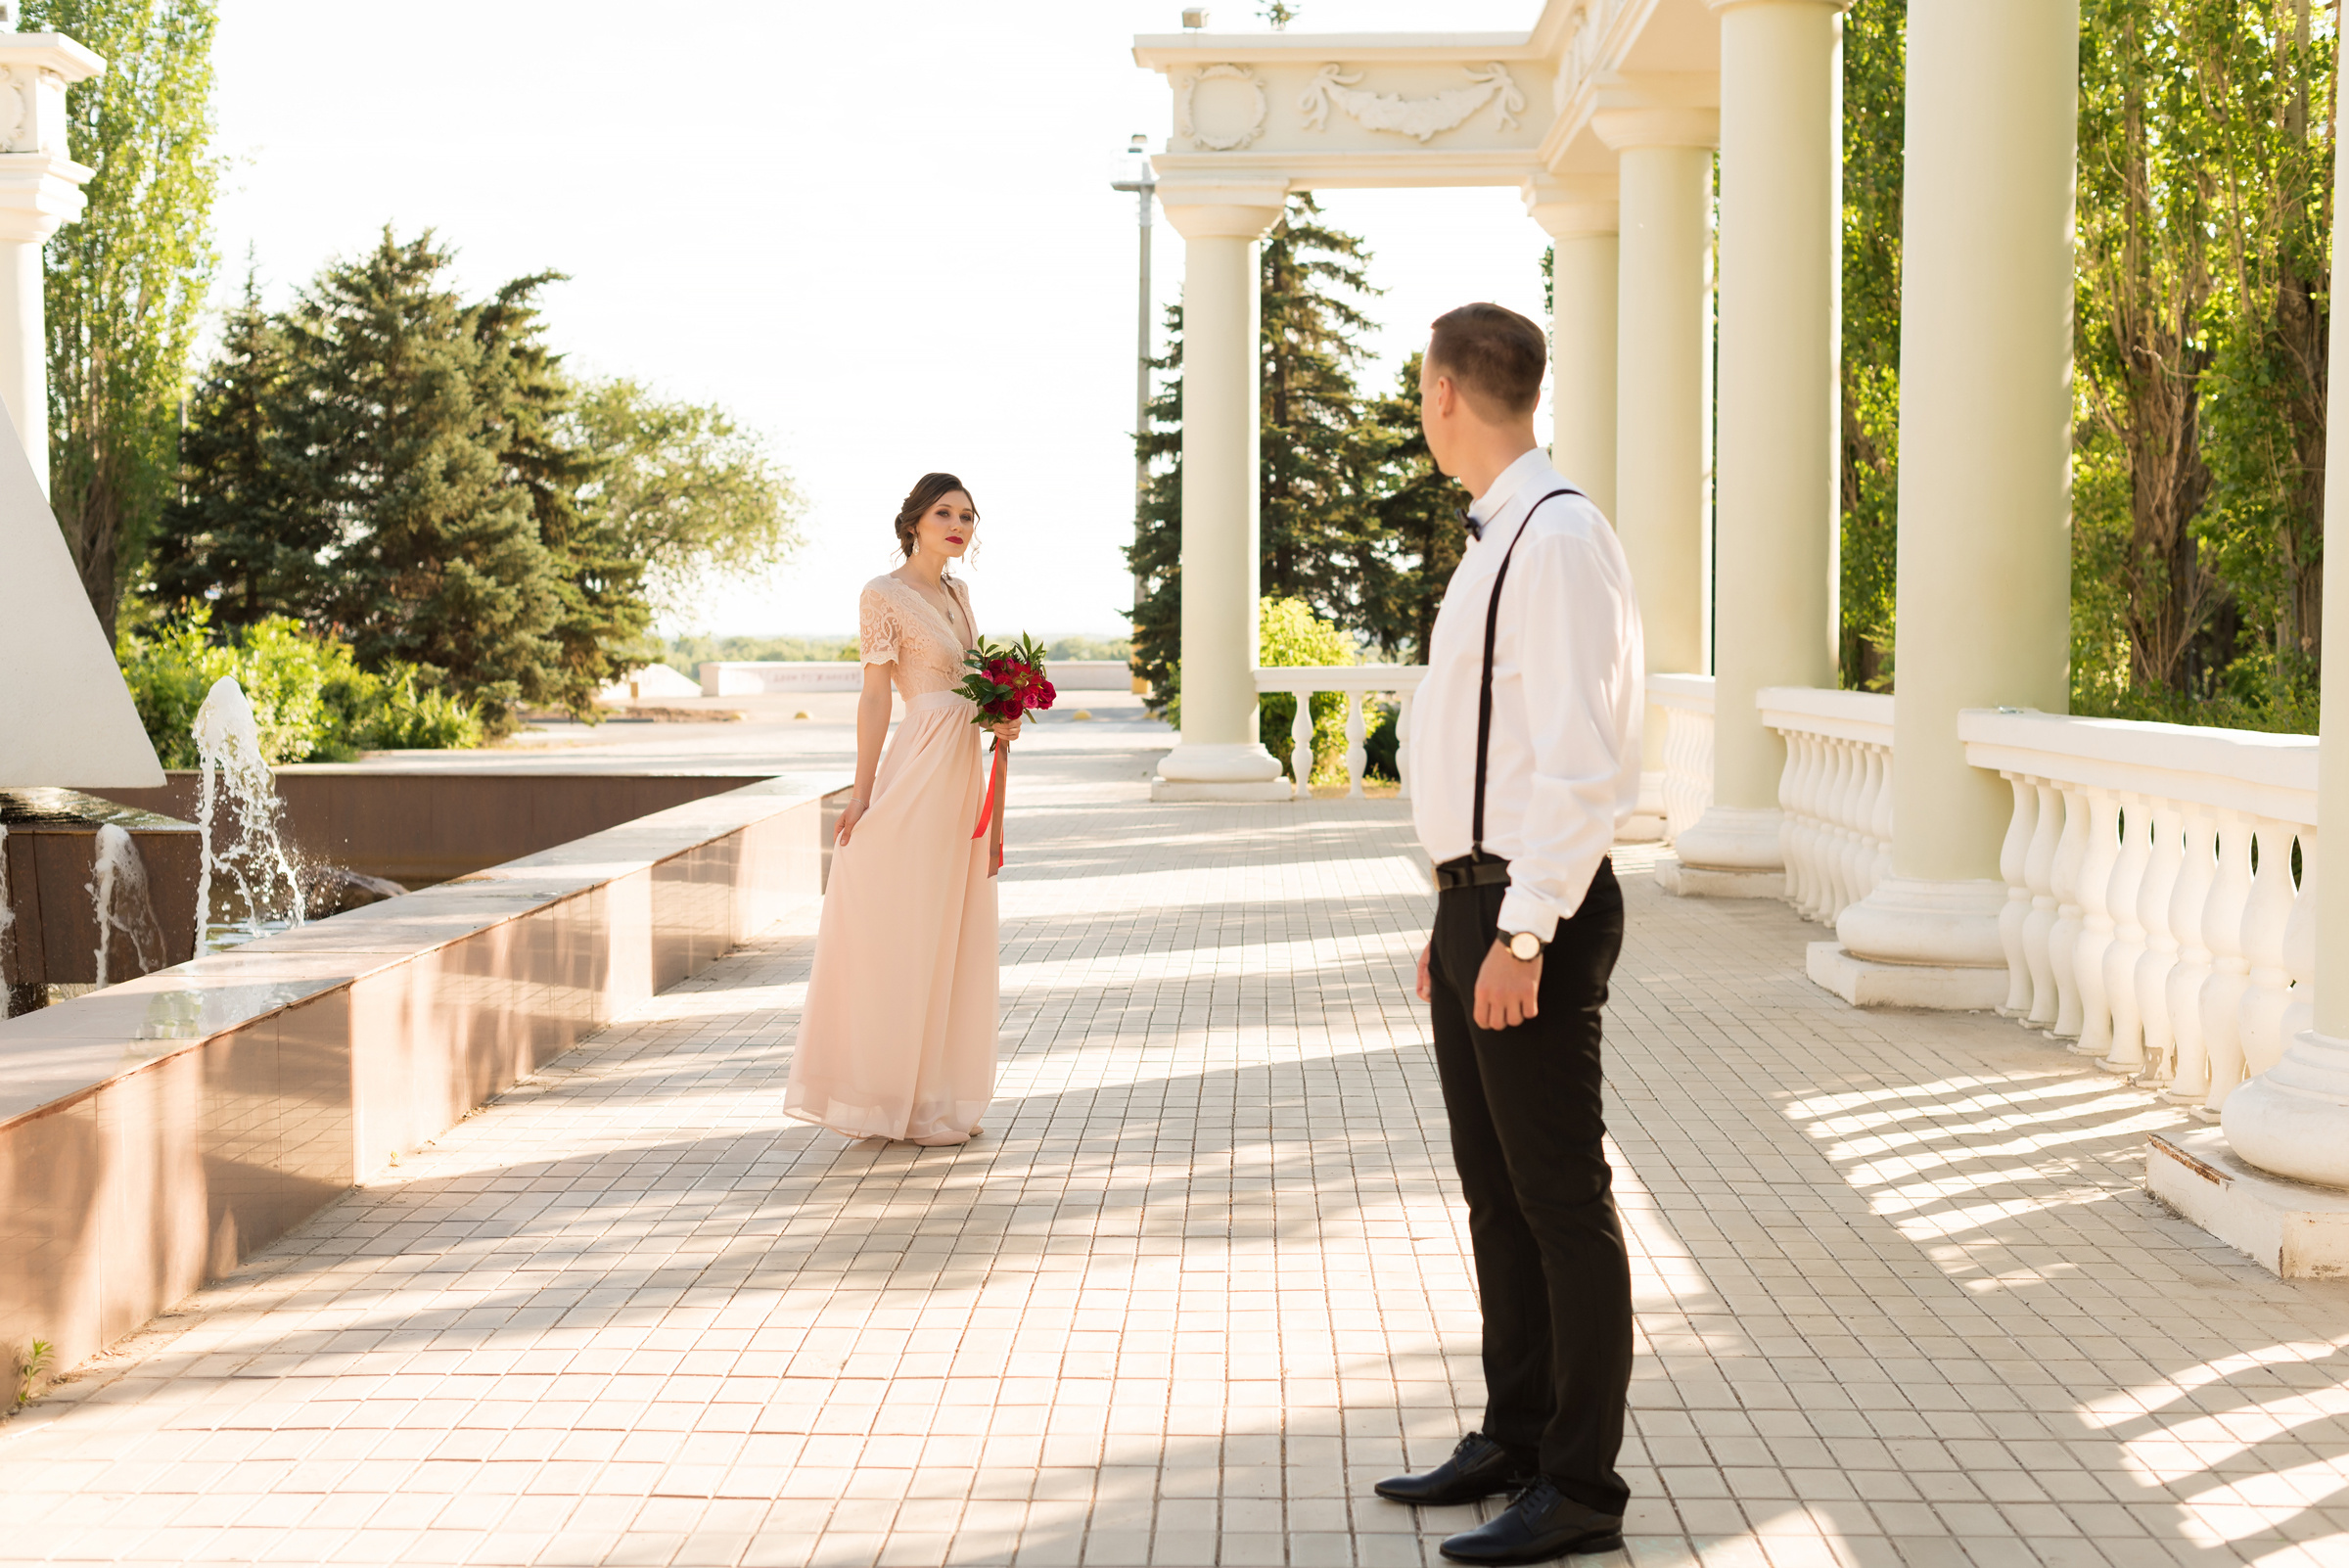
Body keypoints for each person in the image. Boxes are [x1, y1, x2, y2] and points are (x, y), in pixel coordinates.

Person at [1372, 304, 1644, 1564]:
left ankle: (1581, 1486)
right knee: (1497, 1193)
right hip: (1478, 900)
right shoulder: (1500, 539)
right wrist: (1457, 913)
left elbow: (1584, 766)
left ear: (1443, 394)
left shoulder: (1560, 536)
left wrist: (1524, 932)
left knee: (1560, 1196)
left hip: (1535, 903)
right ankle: (1517, 1431)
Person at [783, 473, 1021, 1147]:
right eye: (944, 512)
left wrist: (1002, 717)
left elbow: (971, 684)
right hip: (917, 767)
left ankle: (932, 1095)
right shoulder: (882, 594)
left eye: (969, 516)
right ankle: (882, 1094)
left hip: (961, 774)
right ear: (914, 521)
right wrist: (862, 795)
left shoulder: (960, 594)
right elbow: (876, 699)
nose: (958, 524)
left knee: (950, 926)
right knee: (903, 921)